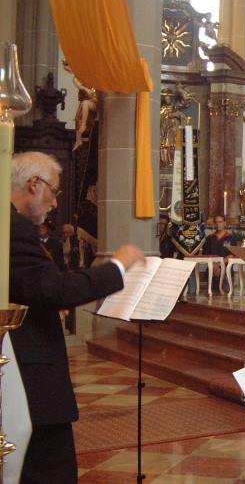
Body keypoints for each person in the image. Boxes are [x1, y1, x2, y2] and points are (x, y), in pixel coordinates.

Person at [9, 151, 144, 482]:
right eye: (54, 191)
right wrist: (117, 266)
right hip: (29, 376)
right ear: (34, 184)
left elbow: (35, 287)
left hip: (22, 362)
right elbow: (56, 289)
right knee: (49, 469)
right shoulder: (13, 228)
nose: (55, 202)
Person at [203, 214, 239, 292]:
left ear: (224, 223)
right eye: (216, 222)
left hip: (226, 271)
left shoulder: (231, 238)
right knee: (210, 296)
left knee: (226, 296)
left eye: (220, 222)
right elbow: (205, 255)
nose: (218, 224)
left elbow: (232, 255)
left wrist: (219, 266)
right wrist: (214, 267)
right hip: (212, 271)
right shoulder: (209, 238)